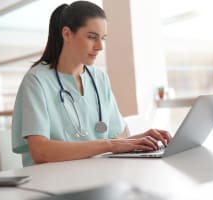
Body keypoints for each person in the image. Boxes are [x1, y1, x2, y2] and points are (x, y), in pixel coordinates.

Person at [12, 1, 172, 167]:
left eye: (102, 38)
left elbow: (115, 140)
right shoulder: (36, 80)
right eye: (91, 37)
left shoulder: (99, 78)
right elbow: (41, 152)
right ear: (67, 34)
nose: (100, 46)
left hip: (94, 172)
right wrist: (109, 144)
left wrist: (140, 138)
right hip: (51, 181)